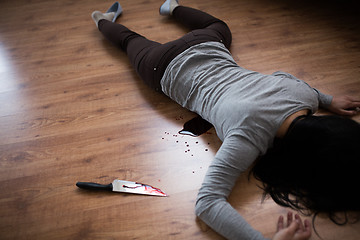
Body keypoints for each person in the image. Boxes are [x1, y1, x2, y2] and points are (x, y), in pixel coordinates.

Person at [91, 1, 360, 239]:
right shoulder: (246, 138)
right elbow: (207, 204)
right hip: (161, 66)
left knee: (217, 25)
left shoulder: (305, 96)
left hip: (204, 41)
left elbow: (287, 79)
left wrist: (327, 100)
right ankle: (102, 20)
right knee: (129, 41)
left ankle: (170, 8)